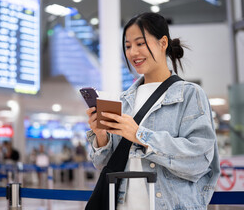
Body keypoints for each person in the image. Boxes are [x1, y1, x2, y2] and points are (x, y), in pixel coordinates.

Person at [86, 12, 220, 209]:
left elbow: (198, 161)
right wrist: (100, 136)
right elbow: (104, 164)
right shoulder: (123, 101)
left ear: (163, 42)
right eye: (128, 46)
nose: (133, 53)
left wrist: (140, 135)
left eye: (140, 44)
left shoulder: (189, 95)